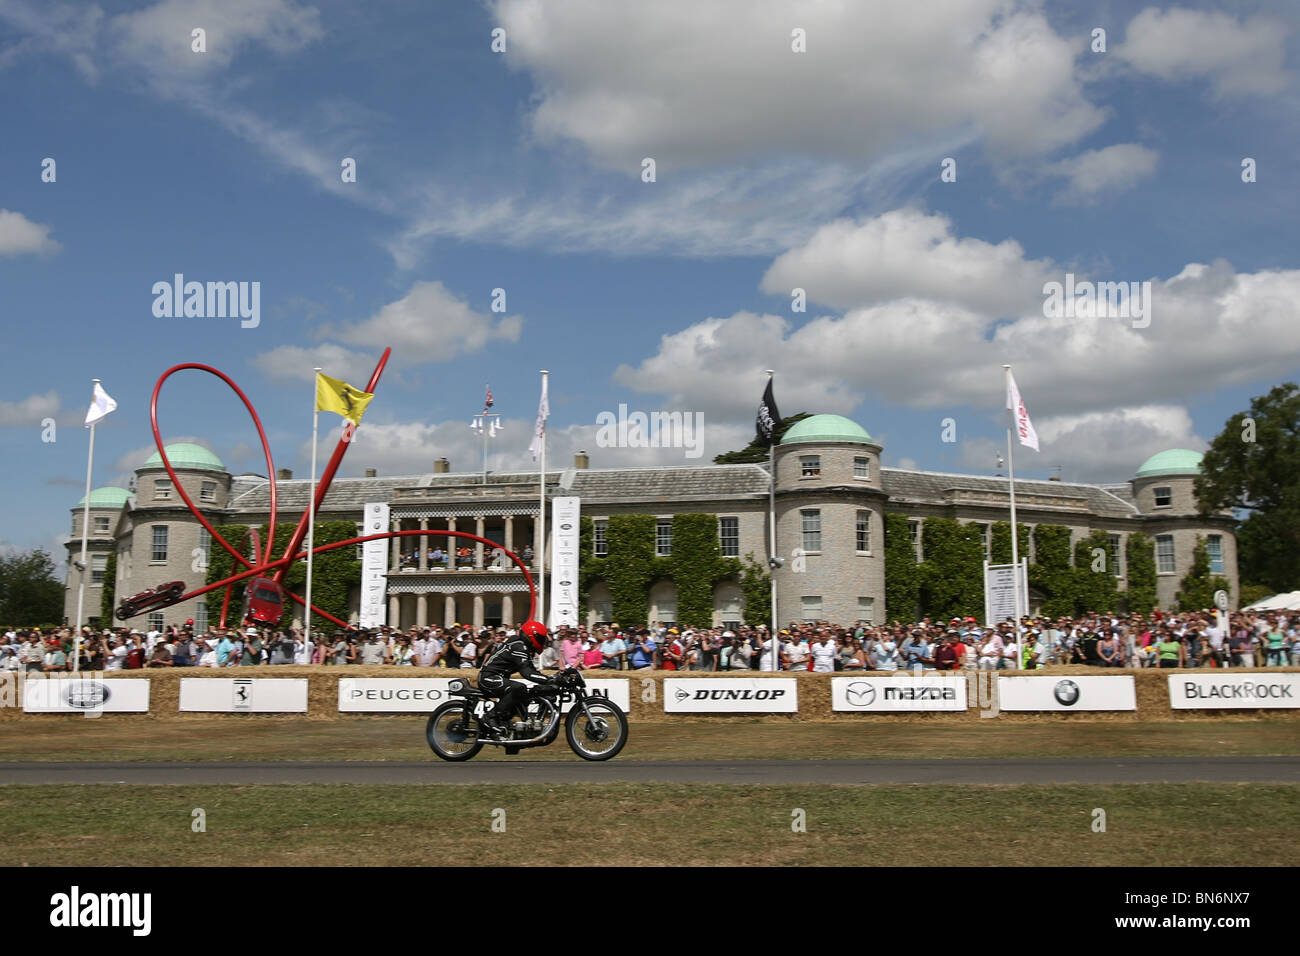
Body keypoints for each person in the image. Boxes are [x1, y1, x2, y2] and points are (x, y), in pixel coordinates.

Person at [478, 620, 556, 735]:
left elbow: (532, 671)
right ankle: (490, 717)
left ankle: (509, 724)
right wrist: (549, 680)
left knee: (527, 694)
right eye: (540, 639)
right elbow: (527, 673)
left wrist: (550, 678)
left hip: (498, 678)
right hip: (488, 678)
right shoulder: (518, 646)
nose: (542, 642)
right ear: (531, 636)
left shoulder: (522, 647)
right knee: (519, 688)